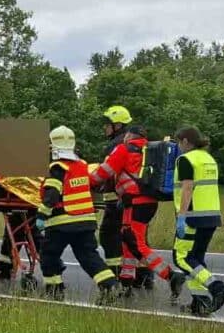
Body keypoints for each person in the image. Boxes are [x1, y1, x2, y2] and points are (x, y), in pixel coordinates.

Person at [91, 118, 176, 294]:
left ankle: (169, 275)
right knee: (127, 239)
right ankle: (127, 280)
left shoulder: (124, 149)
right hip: (149, 202)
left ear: (129, 135)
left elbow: (103, 172)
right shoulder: (149, 150)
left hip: (135, 203)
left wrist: (85, 181)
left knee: (135, 243)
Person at [37, 126, 120, 301]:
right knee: (88, 256)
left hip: (61, 222)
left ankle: (54, 290)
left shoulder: (57, 168)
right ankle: (110, 286)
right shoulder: (82, 165)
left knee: (49, 255)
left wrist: (42, 215)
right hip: (86, 222)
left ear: (53, 146)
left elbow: (52, 194)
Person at [171, 126, 224, 316]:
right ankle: (199, 303)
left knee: (181, 258)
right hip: (211, 216)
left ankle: (217, 288)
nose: (177, 147)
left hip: (192, 217)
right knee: (196, 260)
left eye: (177, 142)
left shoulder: (186, 159)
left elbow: (187, 188)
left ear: (184, 141)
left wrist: (181, 217)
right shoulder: (208, 159)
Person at [95, 106, 132, 280]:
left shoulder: (116, 145)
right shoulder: (132, 142)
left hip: (116, 201)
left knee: (108, 237)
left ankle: (114, 276)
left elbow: (106, 172)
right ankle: (142, 276)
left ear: (117, 125)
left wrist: (89, 181)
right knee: (131, 238)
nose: (105, 127)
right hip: (132, 200)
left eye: (107, 124)